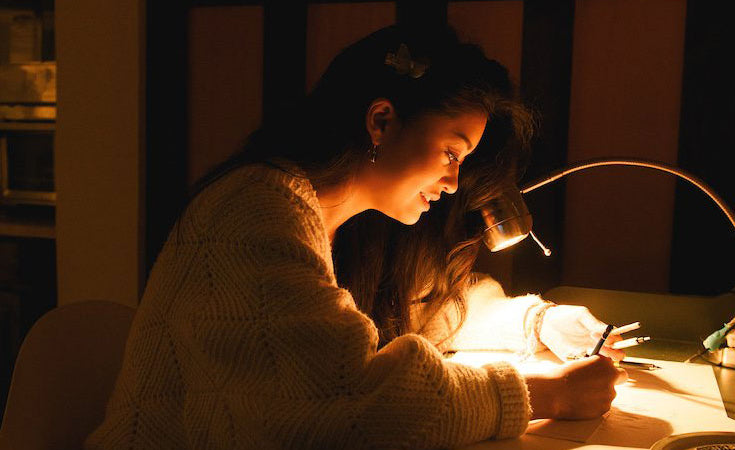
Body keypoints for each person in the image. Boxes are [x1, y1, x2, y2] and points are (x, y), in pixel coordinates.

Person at [86, 25, 625, 450]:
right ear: (382, 121)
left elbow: (421, 307)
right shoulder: (254, 210)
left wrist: (538, 323)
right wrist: (541, 393)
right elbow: (351, 404)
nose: (455, 182)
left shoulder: (333, 216)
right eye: (452, 152)